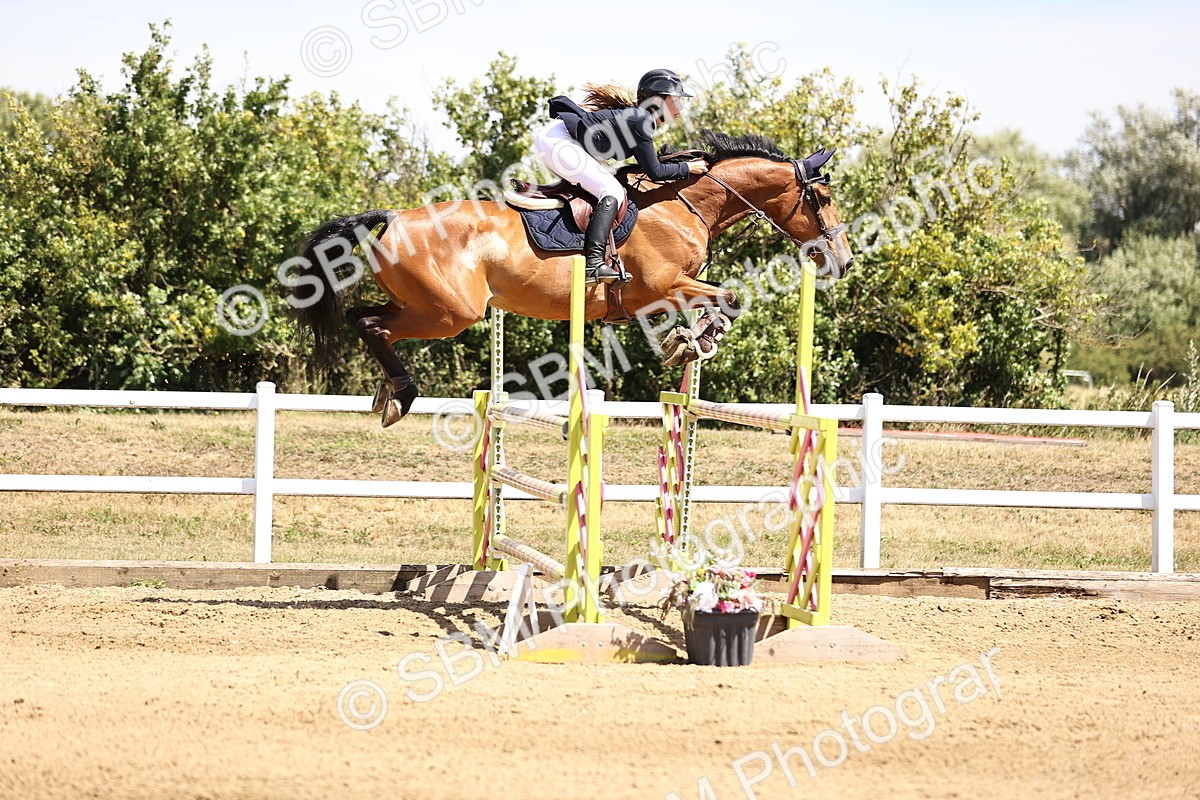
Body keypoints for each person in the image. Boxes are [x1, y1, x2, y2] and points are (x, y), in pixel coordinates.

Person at [532, 68, 709, 282]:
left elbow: (646, 166)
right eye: (675, 99)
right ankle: (593, 264)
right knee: (612, 191)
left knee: (611, 180)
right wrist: (688, 169)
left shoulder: (640, 119)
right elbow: (655, 172)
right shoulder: (641, 121)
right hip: (559, 141)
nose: (680, 106)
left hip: (562, 138)